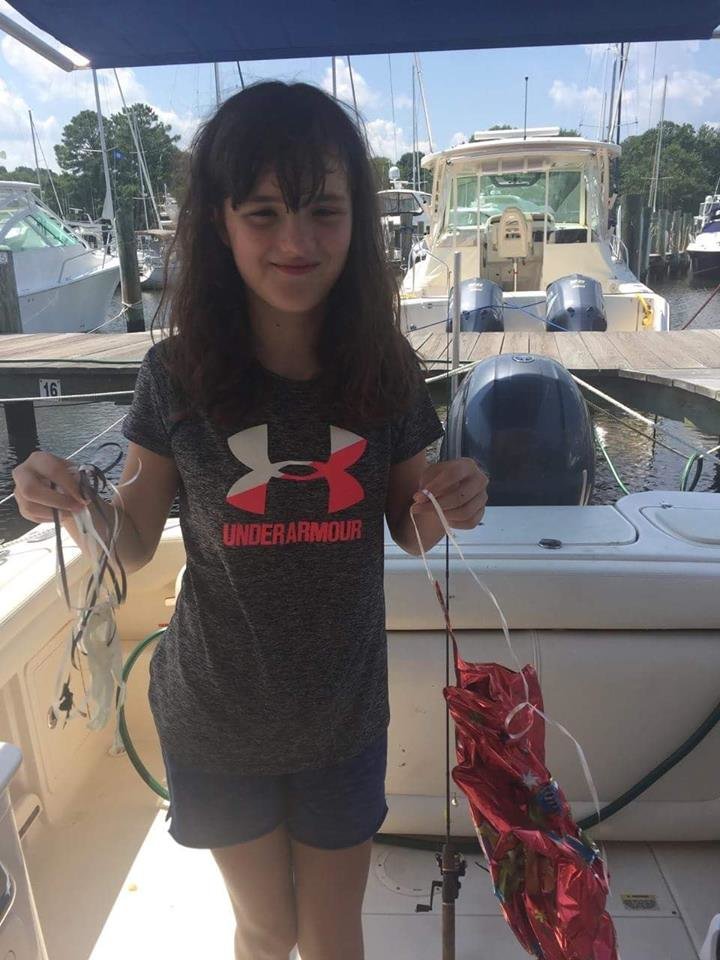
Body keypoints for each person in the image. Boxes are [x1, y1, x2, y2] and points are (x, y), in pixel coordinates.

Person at [12, 80, 488, 960]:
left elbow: (409, 524)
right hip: (214, 716)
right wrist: (72, 501)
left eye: (323, 211)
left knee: (333, 936)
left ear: (357, 222)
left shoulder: (386, 365)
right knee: (266, 932)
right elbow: (132, 539)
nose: (295, 242)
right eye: (263, 213)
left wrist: (451, 502)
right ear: (219, 224)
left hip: (343, 717)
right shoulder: (174, 374)